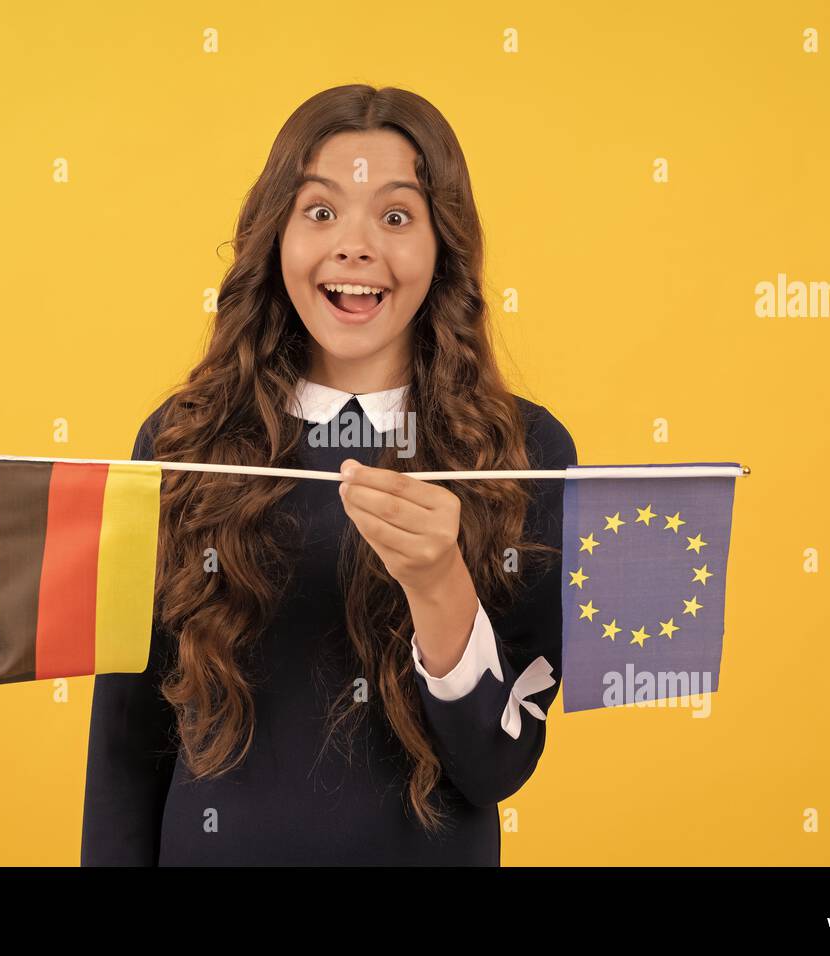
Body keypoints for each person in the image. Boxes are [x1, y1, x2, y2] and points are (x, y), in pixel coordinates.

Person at [81, 84, 577, 866]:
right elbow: (124, 740)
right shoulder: (179, 442)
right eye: (320, 212)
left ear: (442, 247)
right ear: (275, 237)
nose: (354, 245)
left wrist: (440, 583)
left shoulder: (524, 452)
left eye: (395, 215)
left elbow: (499, 765)